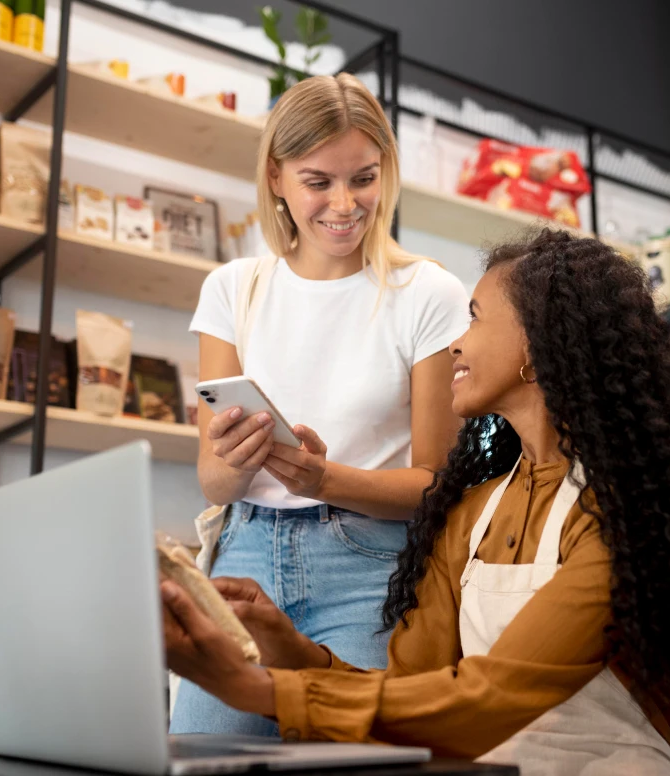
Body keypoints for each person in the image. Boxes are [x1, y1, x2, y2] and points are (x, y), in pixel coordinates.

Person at [162, 229, 670, 774]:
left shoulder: (618, 515)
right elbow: (411, 696)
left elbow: (490, 698)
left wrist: (258, 688)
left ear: (536, 346)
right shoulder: (471, 512)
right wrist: (285, 647)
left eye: (474, 317)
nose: (455, 344)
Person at [168, 73, 469, 736]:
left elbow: (436, 485)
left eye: (363, 177)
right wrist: (240, 461)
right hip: (243, 558)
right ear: (276, 177)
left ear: (385, 171)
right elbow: (213, 480)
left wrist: (325, 479)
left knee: (348, 759)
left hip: (368, 568)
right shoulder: (233, 290)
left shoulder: (429, 295)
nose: (344, 203)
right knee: (202, 757)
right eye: (318, 181)